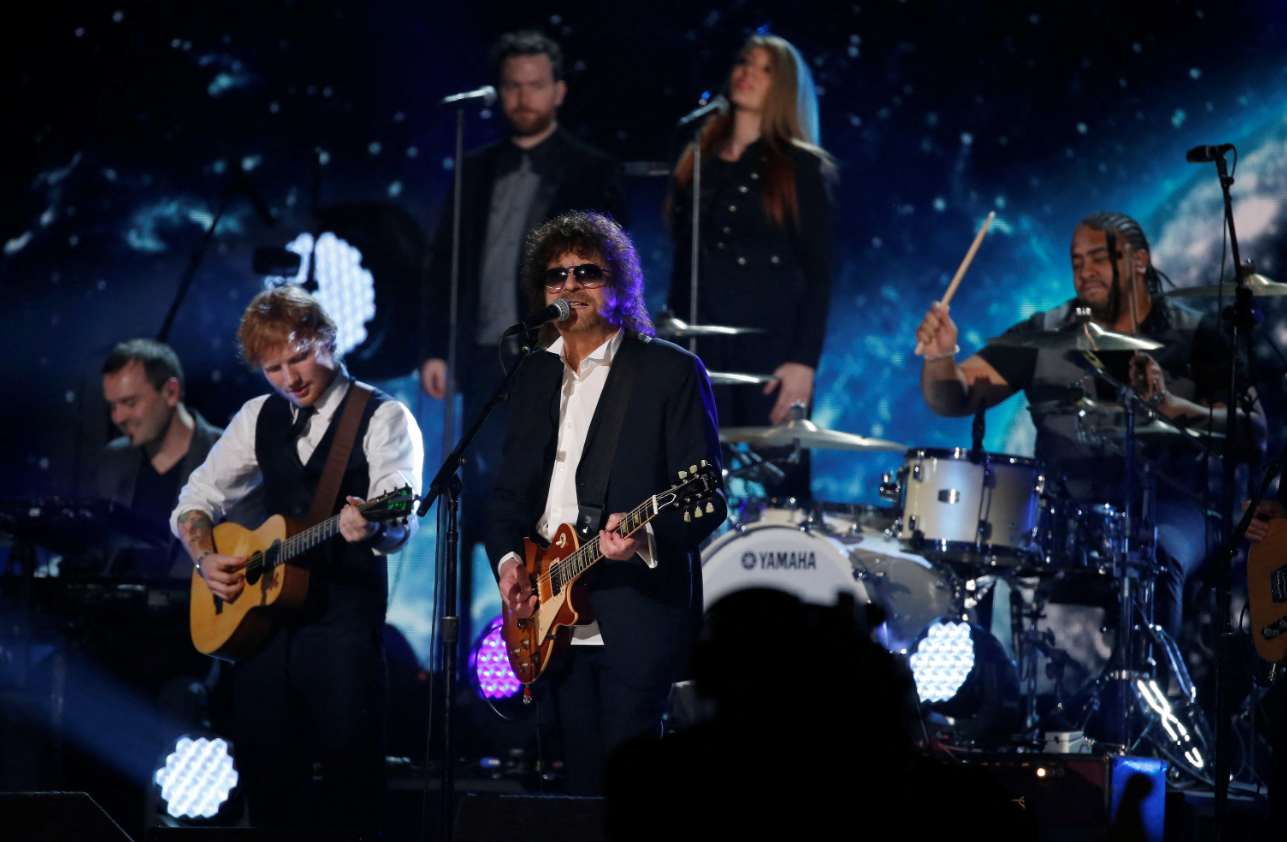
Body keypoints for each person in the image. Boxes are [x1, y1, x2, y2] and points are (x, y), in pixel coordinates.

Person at [915, 210, 1266, 635]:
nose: (1085, 272)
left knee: (1155, 554)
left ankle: (1141, 690)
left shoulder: (1198, 336)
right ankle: (992, 692)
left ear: (1139, 261)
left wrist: (1169, 405)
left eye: (1099, 258)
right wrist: (939, 357)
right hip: (1065, 512)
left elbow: (1251, 432)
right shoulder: (1046, 332)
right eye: (1077, 262)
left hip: (1173, 510)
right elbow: (955, 396)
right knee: (976, 550)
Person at [487, 211, 725, 796]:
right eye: (556, 277)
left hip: (634, 612)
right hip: (551, 618)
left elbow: (708, 499)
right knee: (580, 790)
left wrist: (643, 539)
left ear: (619, 283)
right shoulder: (534, 374)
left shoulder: (669, 370)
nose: (569, 287)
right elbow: (507, 493)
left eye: (586, 272)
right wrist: (510, 564)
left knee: (630, 786)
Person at [171, 285, 424, 830]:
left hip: (343, 629)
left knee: (350, 786)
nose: (291, 378)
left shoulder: (384, 417)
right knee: (266, 784)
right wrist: (203, 557)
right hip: (261, 633)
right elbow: (196, 500)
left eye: (300, 356)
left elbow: (400, 508)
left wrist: (376, 520)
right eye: (274, 369)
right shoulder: (256, 417)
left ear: (328, 339)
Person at [418, 30, 627, 600]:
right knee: (483, 490)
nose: (523, 97)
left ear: (558, 91)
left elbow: (609, 267)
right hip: (484, 353)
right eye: (512, 86)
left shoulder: (592, 168)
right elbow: (445, 263)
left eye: (534, 85)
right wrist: (436, 346)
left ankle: (554, 606)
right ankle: (479, 623)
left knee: (547, 481)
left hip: (552, 355)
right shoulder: (477, 166)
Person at [667, 32, 835, 499]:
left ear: (782, 87)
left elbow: (820, 275)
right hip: (701, 349)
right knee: (692, 488)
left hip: (770, 354)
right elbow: (684, 261)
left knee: (778, 489)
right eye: (744, 62)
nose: (747, 74)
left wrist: (804, 362)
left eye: (764, 68)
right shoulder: (697, 159)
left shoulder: (799, 166)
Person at [94, 339, 252, 577]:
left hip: (199, 607)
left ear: (171, 392)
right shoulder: (114, 459)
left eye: (129, 402)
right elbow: (99, 553)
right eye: (112, 406)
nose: (118, 417)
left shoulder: (228, 454)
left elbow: (247, 545)